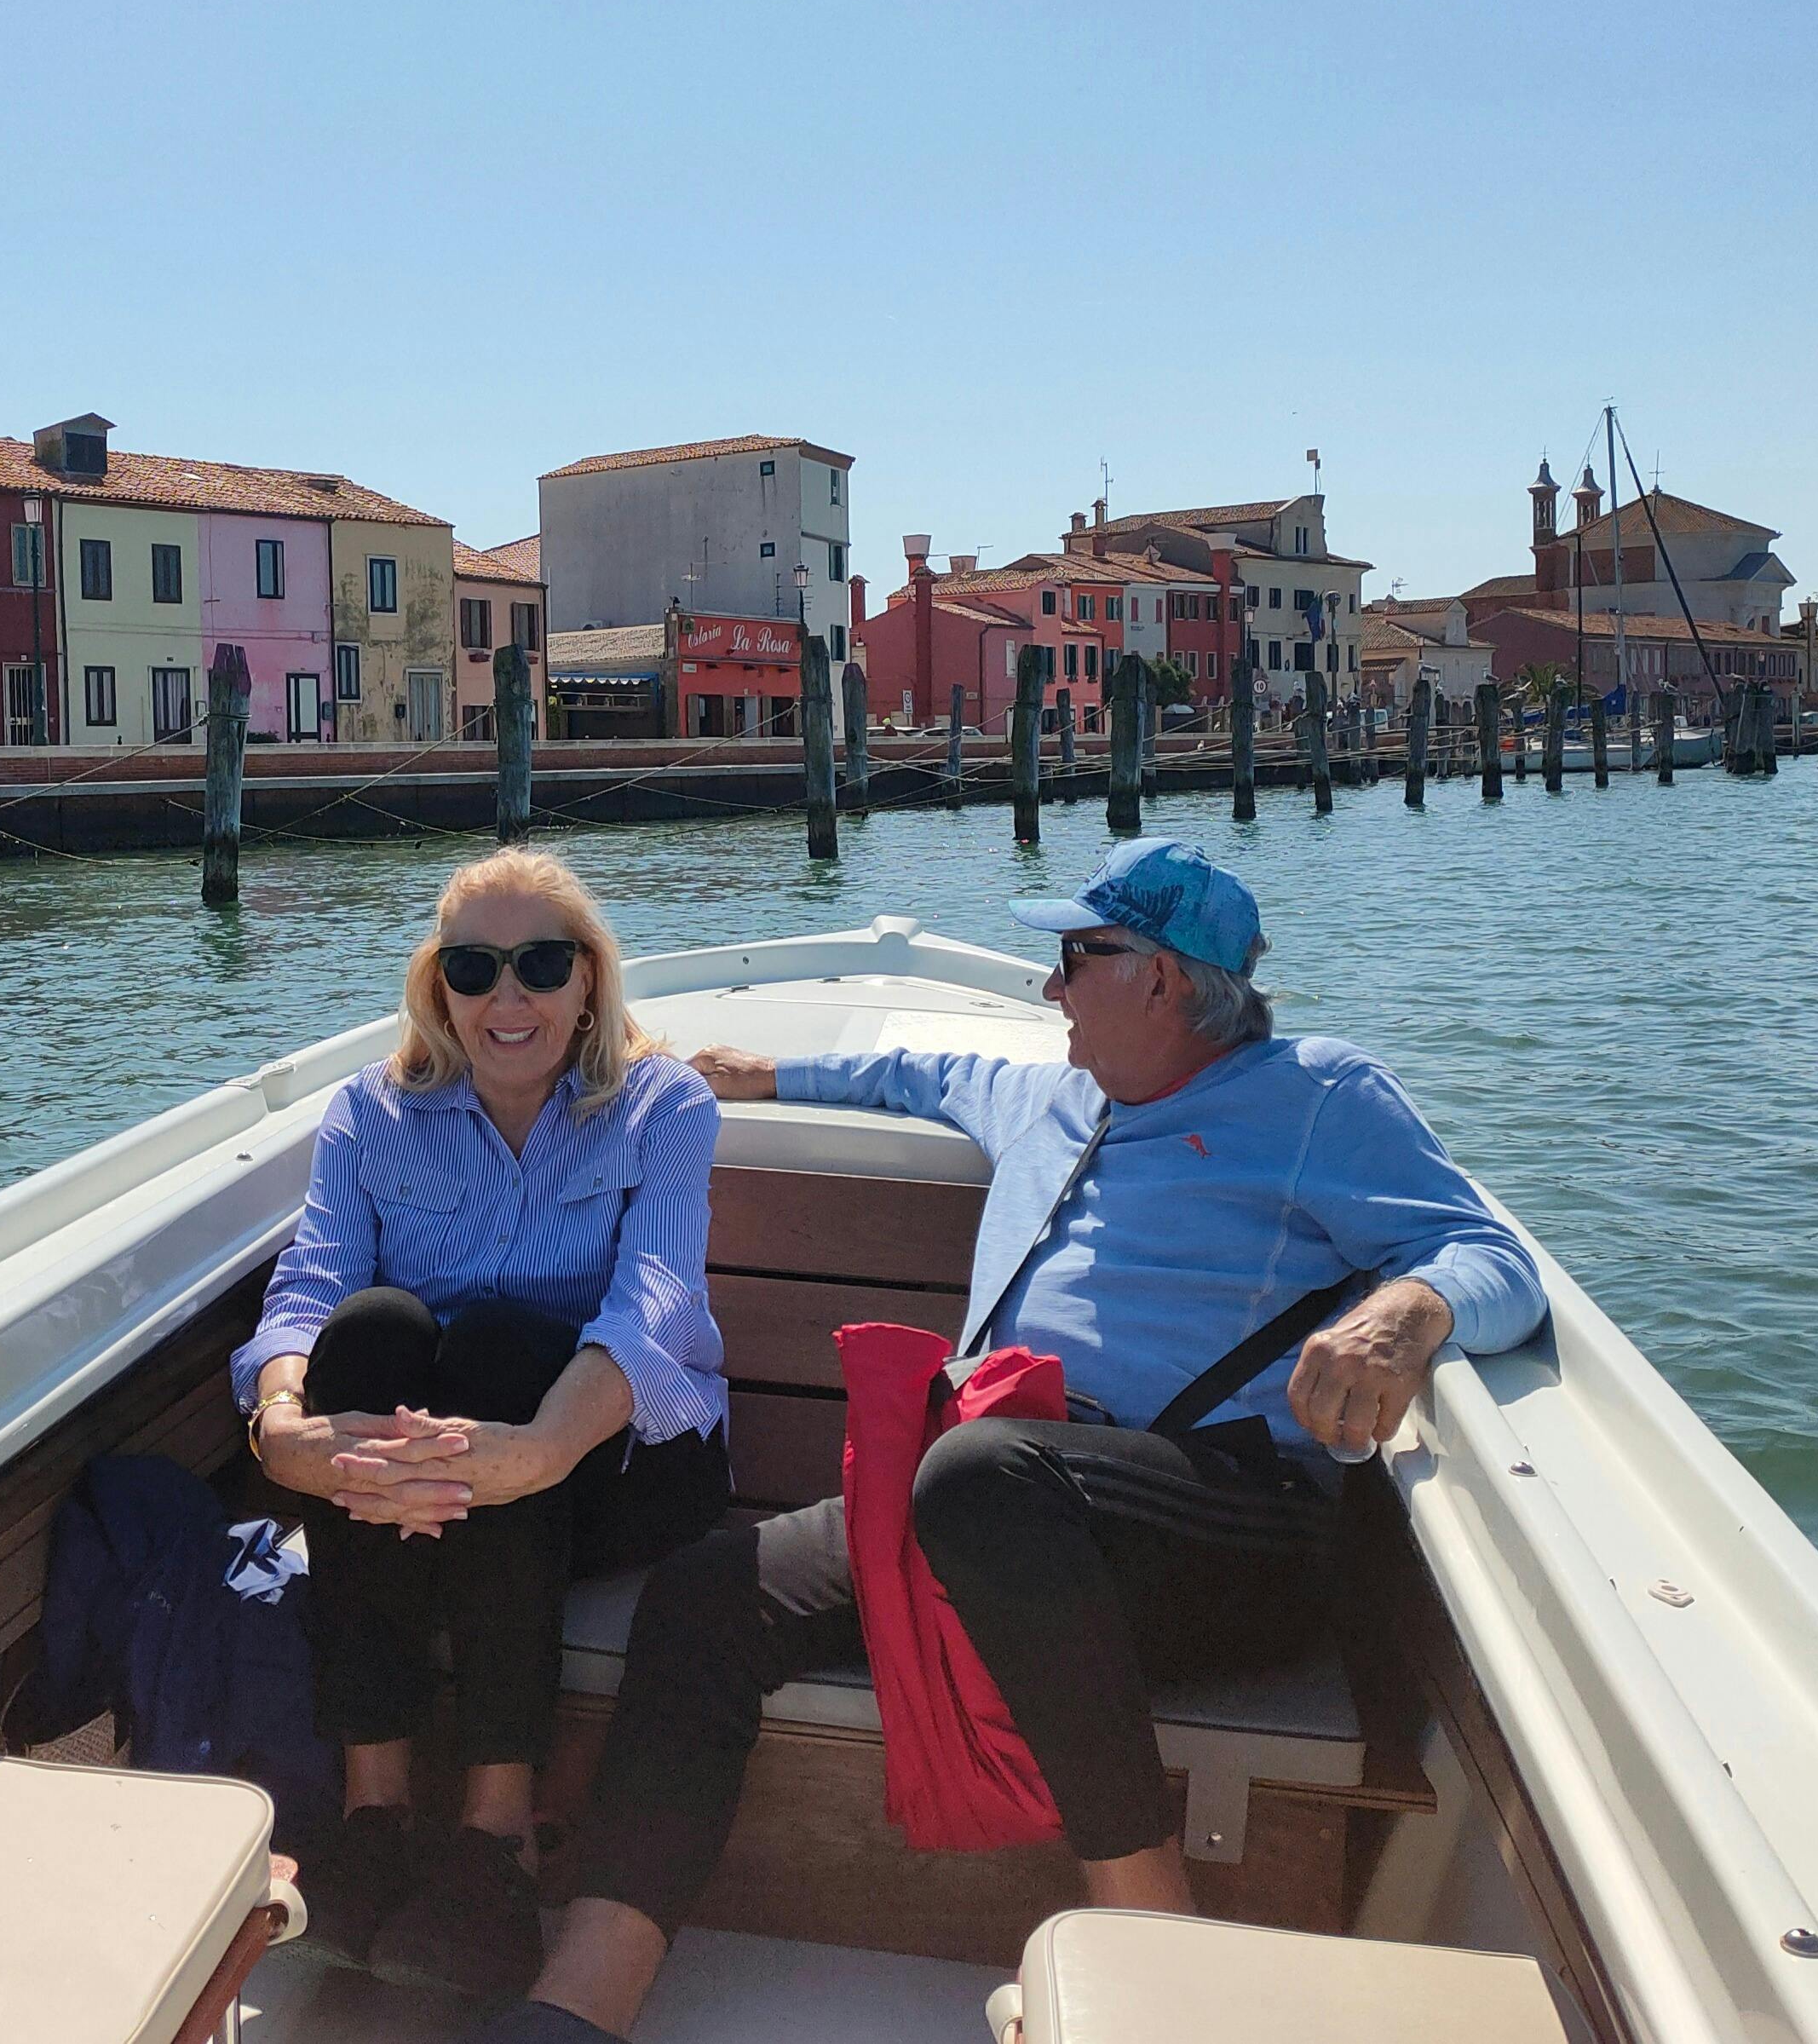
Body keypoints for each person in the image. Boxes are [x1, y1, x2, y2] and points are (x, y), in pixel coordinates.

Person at [483, 838, 1548, 2044]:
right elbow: (914, 1071)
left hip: (1216, 1525)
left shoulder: (1319, 1098)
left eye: (1074, 957)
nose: (1049, 986)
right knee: (709, 1596)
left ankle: (1155, 1950)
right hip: (995, 1497)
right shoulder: (1053, 1092)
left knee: (982, 1475)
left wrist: (1407, 1312)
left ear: (1161, 978)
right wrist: (753, 1071)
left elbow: (1495, 1256)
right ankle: (583, 1996)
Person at [233, 847, 730, 1998]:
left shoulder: (664, 1104)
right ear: (437, 984)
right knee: (367, 1332)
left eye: (541, 965)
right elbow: (309, 1285)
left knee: (507, 1345)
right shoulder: (371, 1110)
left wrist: (538, 1448)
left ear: (590, 980)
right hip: (439, 1470)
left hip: (619, 1461)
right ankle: (374, 1817)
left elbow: (653, 1301)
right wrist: (286, 1427)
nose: (508, 1000)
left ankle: (497, 1838)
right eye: (474, 967)